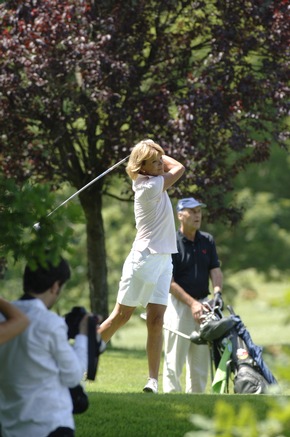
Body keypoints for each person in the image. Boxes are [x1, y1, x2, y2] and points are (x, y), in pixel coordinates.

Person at [98, 139, 185, 394]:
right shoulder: (150, 186)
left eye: (160, 161)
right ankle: (79, 359)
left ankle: (152, 381)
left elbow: (166, 166)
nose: (161, 165)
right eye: (155, 162)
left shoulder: (153, 180)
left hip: (163, 259)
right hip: (144, 259)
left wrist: (152, 151)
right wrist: (156, 148)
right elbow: (179, 167)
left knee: (156, 320)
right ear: (142, 168)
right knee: (120, 317)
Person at [0, 256, 88, 437]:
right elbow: (73, 376)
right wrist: (83, 337)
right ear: (55, 286)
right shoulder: (50, 323)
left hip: (9, 424)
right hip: (49, 424)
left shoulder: (3, 319)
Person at [163, 197, 223, 393]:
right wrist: (192, 304)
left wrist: (217, 293)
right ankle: (171, 400)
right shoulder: (171, 242)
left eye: (199, 211)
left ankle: (197, 402)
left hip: (204, 305)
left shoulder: (207, 240)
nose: (197, 215)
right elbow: (169, 283)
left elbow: (215, 269)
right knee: (174, 360)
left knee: (200, 363)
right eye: (192, 211)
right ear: (180, 215)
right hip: (179, 306)